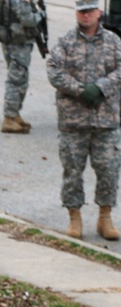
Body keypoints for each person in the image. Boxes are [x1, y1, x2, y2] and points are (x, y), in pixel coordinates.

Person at [47, 0, 121, 241]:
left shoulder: (113, 41)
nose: (86, 15)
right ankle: (74, 217)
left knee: (109, 170)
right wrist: (81, 90)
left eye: (90, 11)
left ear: (99, 12)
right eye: (82, 12)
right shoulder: (65, 42)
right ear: (77, 13)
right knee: (72, 172)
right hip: (73, 121)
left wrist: (100, 88)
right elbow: (54, 71)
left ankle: (105, 218)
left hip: (106, 120)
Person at [0, 0, 47, 134]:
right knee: (16, 80)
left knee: (20, 79)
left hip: (13, 41)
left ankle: (14, 113)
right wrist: (41, 15)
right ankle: (9, 118)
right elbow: (28, 20)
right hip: (18, 44)